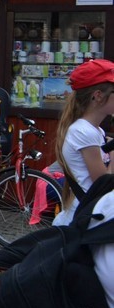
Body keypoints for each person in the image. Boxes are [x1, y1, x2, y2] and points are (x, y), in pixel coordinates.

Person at [54, 59, 114, 225]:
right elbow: (103, 184)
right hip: (87, 220)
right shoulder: (83, 132)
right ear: (98, 96)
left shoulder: (96, 131)